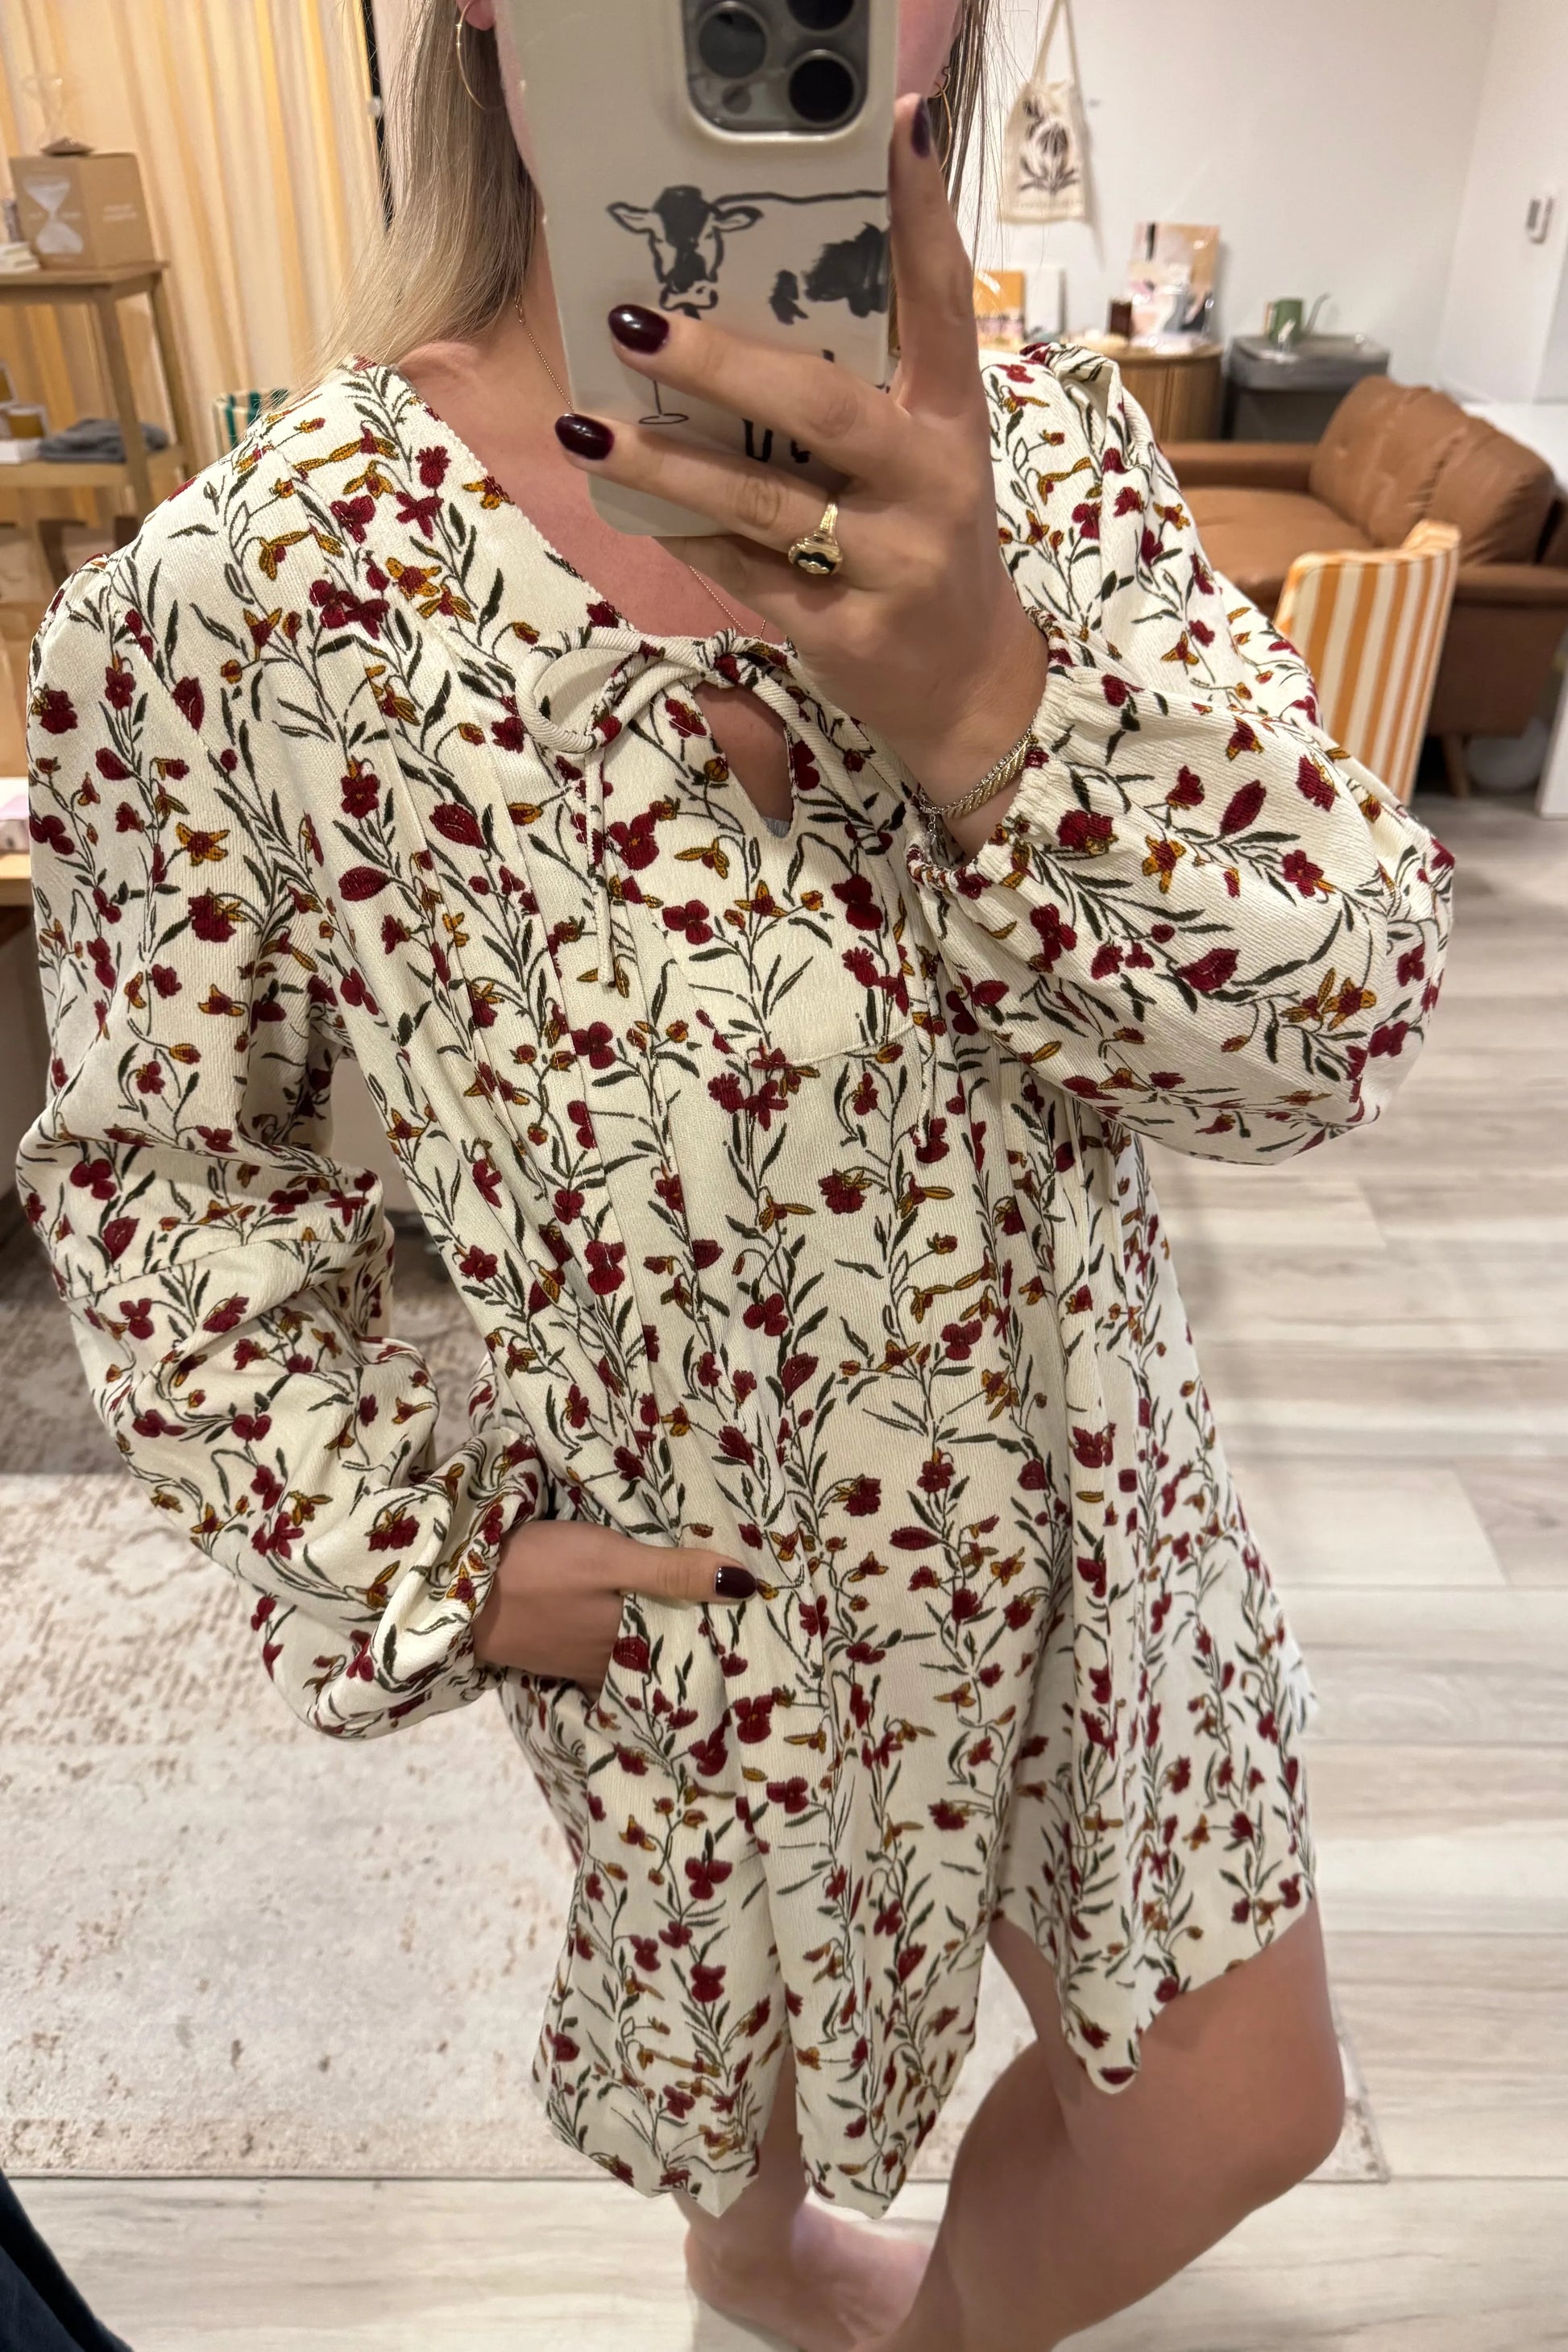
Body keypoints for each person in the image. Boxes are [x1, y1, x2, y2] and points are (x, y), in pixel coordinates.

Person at [18, 4, 1452, 2346]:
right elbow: (168, 1182)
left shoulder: (1054, 463)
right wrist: (424, 1560)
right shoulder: (243, 597)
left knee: (1233, 2105)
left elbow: (1328, 1033)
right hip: (701, 1585)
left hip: (1100, 1514)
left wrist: (984, 697)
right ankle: (761, 2267)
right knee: (753, 2076)